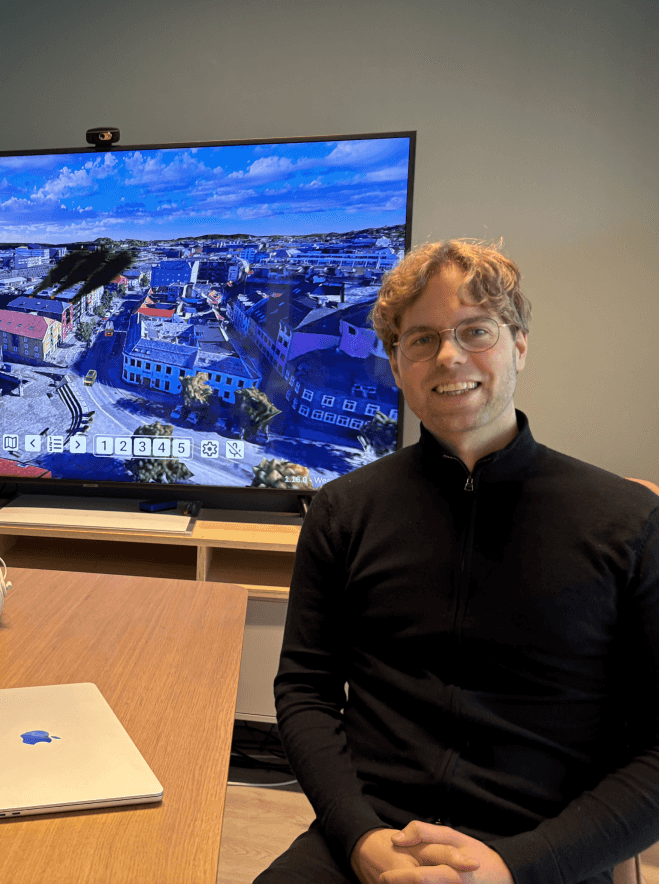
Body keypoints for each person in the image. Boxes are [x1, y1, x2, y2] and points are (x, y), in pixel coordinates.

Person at [256, 240, 659, 884]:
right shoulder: (342, 511)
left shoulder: (628, 523)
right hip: (371, 836)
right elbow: (304, 691)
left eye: (476, 330)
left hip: (544, 851)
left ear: (518, 344)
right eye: (421, 339)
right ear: (395, 362)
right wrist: (361, 838)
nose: (449, 355)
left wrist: (512, 867)